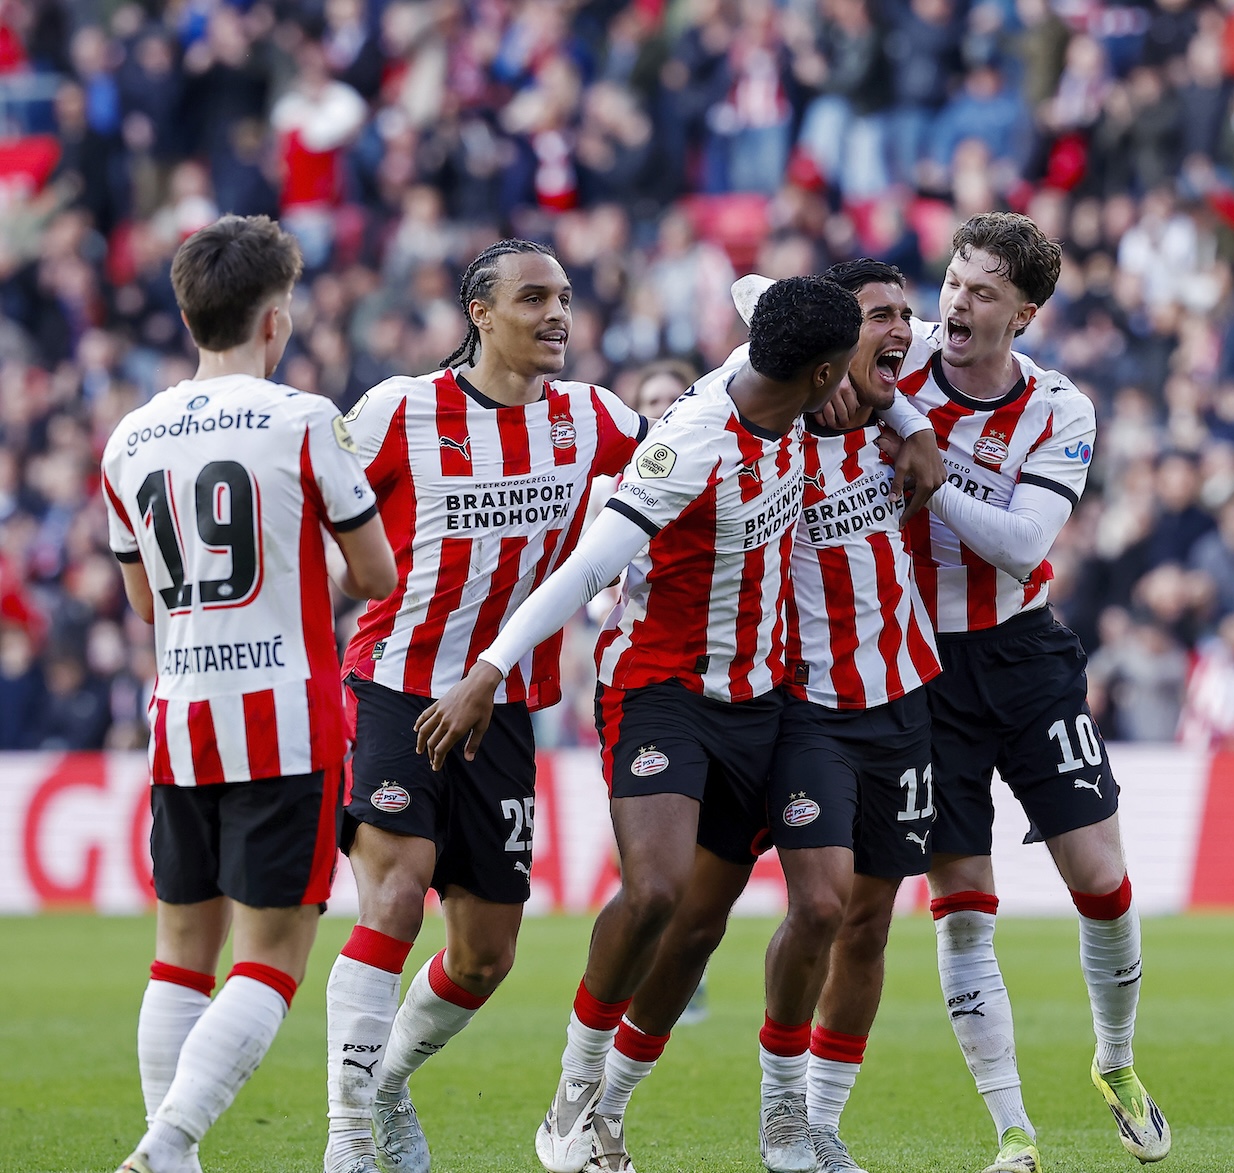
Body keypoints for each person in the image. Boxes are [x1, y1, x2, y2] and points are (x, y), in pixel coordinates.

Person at [413, 276, 865, 1173]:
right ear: (822, 375)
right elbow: (587, 570)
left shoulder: (778, 370)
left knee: (817, 905)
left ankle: (779, 1118)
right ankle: (577, 1092)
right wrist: (490, 671)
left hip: (773, 697)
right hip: (662, 690)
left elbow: (754, 290)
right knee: (660, 896)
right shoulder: (694, 443)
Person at [578, 258, 941, 1173]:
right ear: (826, 346)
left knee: (856, 920)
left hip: (899, 695)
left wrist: (909, 417)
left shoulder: (890, 393)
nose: (897, 333)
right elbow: (754, 290)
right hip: (795, 706)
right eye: (876, 320)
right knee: (703, 917)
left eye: (906, 317)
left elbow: (883, 349)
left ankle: (801, 1123)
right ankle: (604, 1101)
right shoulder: (769, 414)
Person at [320, 240, 647, 1173]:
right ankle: (347, 1133)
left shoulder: (594, 417)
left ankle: (383, 1084)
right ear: (479, 311)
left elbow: (690, 445)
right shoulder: (399, 411)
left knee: (486, 956)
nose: (556, 314)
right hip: (396, 682)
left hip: (507, 702)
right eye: (533, 297)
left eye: (566, 298)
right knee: (392, 894)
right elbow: (313, 493)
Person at [867, 212, 1172, 1171]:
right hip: (917, 664)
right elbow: (766, 305)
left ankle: (1115, 1061)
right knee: (961, 897)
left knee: (1100, 877)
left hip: (1024, 654)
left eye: (984, 289)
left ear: (1025, 313)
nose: (957, 299)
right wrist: (894, 402)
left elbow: (1020, 543)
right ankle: (1013, 1131)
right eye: (955, 279)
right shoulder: (895, 355)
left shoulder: (1060, 409)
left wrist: (917, 446)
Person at [101, 214, 397, 1173]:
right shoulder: (304, 418)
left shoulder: (128, 438)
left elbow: (144, 595)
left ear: (192, 315)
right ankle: (168, 1142)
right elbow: (377, 574)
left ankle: (172, 1159)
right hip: (285, 715)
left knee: (181, 948)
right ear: (276, 320)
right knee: (272, 954)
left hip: (183, 716)